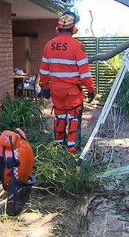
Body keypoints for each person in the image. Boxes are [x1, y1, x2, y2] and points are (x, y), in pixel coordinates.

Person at [39, 11, 95, 153]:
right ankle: (73, 149)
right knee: (74, 119)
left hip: (56, 91)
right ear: (73, 29)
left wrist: (45, 87)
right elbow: (85, 72)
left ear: (58, 29)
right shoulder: (77, 46)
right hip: (73, 92)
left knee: (60, 117)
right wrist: (90, 89)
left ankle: (59, 146)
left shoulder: (48, 45)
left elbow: (44, 71)